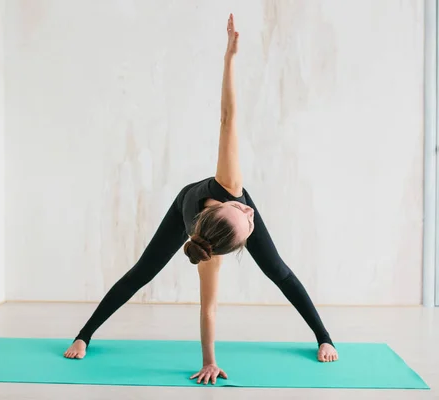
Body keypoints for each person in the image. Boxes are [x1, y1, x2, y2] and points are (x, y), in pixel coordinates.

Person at [64, 13, 339, 384]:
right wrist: (209, 362)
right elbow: (208, 309)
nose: (250, 211)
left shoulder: (230, 188)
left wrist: (229, 58)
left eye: (245, 214)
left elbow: (228, 117)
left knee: (278, 271)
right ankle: (84, 334)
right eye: (248, 217)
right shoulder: (218, 224)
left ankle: (323, 336)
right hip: (187, 206)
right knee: (141, 273)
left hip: (213, 217)